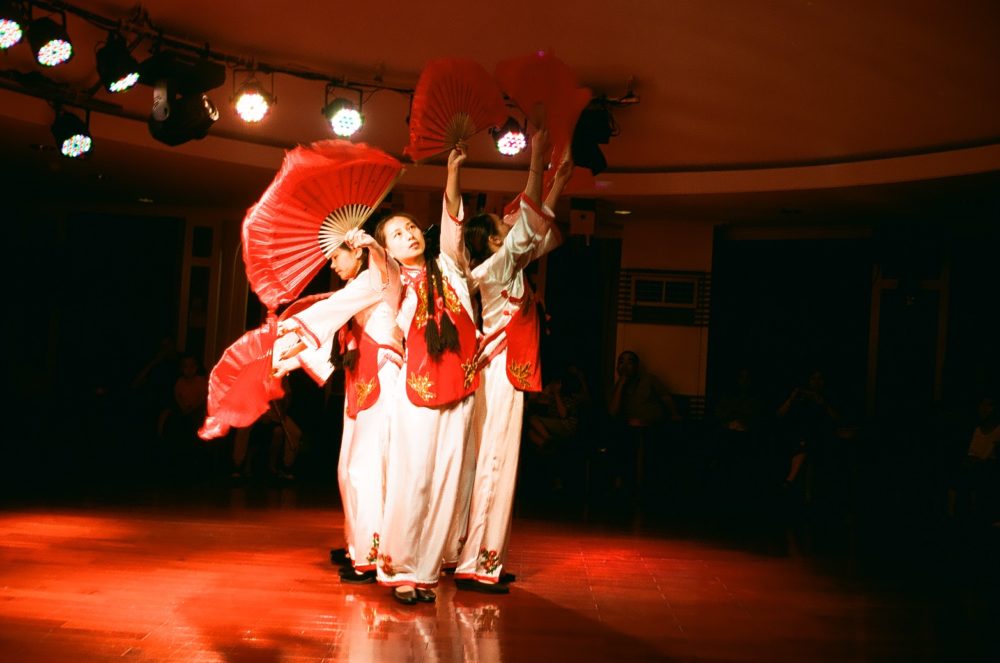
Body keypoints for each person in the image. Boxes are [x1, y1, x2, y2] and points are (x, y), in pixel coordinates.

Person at [452, 131, 574, 593]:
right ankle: (479, 564)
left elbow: (534, 234)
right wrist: (538, 156)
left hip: (499, 368)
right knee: (495, 462)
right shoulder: (496, 267)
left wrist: (556, 180)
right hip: (501, 371)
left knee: (485, 460)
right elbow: (527, 230)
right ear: (490, 243)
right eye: (501, 232)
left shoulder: (505, 265)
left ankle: (470, 554)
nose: (510, 234)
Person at [372, 145, 480, 606]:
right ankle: (399, 569)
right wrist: (370, 253)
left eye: (412, 228)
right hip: (414, 391)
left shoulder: (450, 268)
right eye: (397, 234)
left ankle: (427, 571)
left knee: (446, 482)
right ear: (388, 249)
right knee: (413, 478)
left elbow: (453, 221)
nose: (409, 235)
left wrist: (452, 173)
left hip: (461, 386)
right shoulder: (390, 282)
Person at [272, 227, 401, 583]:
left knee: (366, 470)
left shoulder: (374, 278)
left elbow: (327, 313)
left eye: (336, 255)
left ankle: (371, 556)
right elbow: (329, 332)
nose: (332, 263)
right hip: (361, 380)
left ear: (356, 252)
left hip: (382, 379)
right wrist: (286, 360)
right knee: (349, 470)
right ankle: (357, 546)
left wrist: (282, 342)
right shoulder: (357, 287)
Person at [607, 350, 681, 497]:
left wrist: (674, 416)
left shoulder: (650, 380)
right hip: (628, 429)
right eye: (621, 362)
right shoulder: (619, 385)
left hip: (653, 427)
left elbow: (666, 399)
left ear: (636, 366)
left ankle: (643, 488)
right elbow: (613, 412)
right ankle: (621, 484)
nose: (625, 365)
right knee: (617, 437)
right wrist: (621, 384)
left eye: (629, 362)